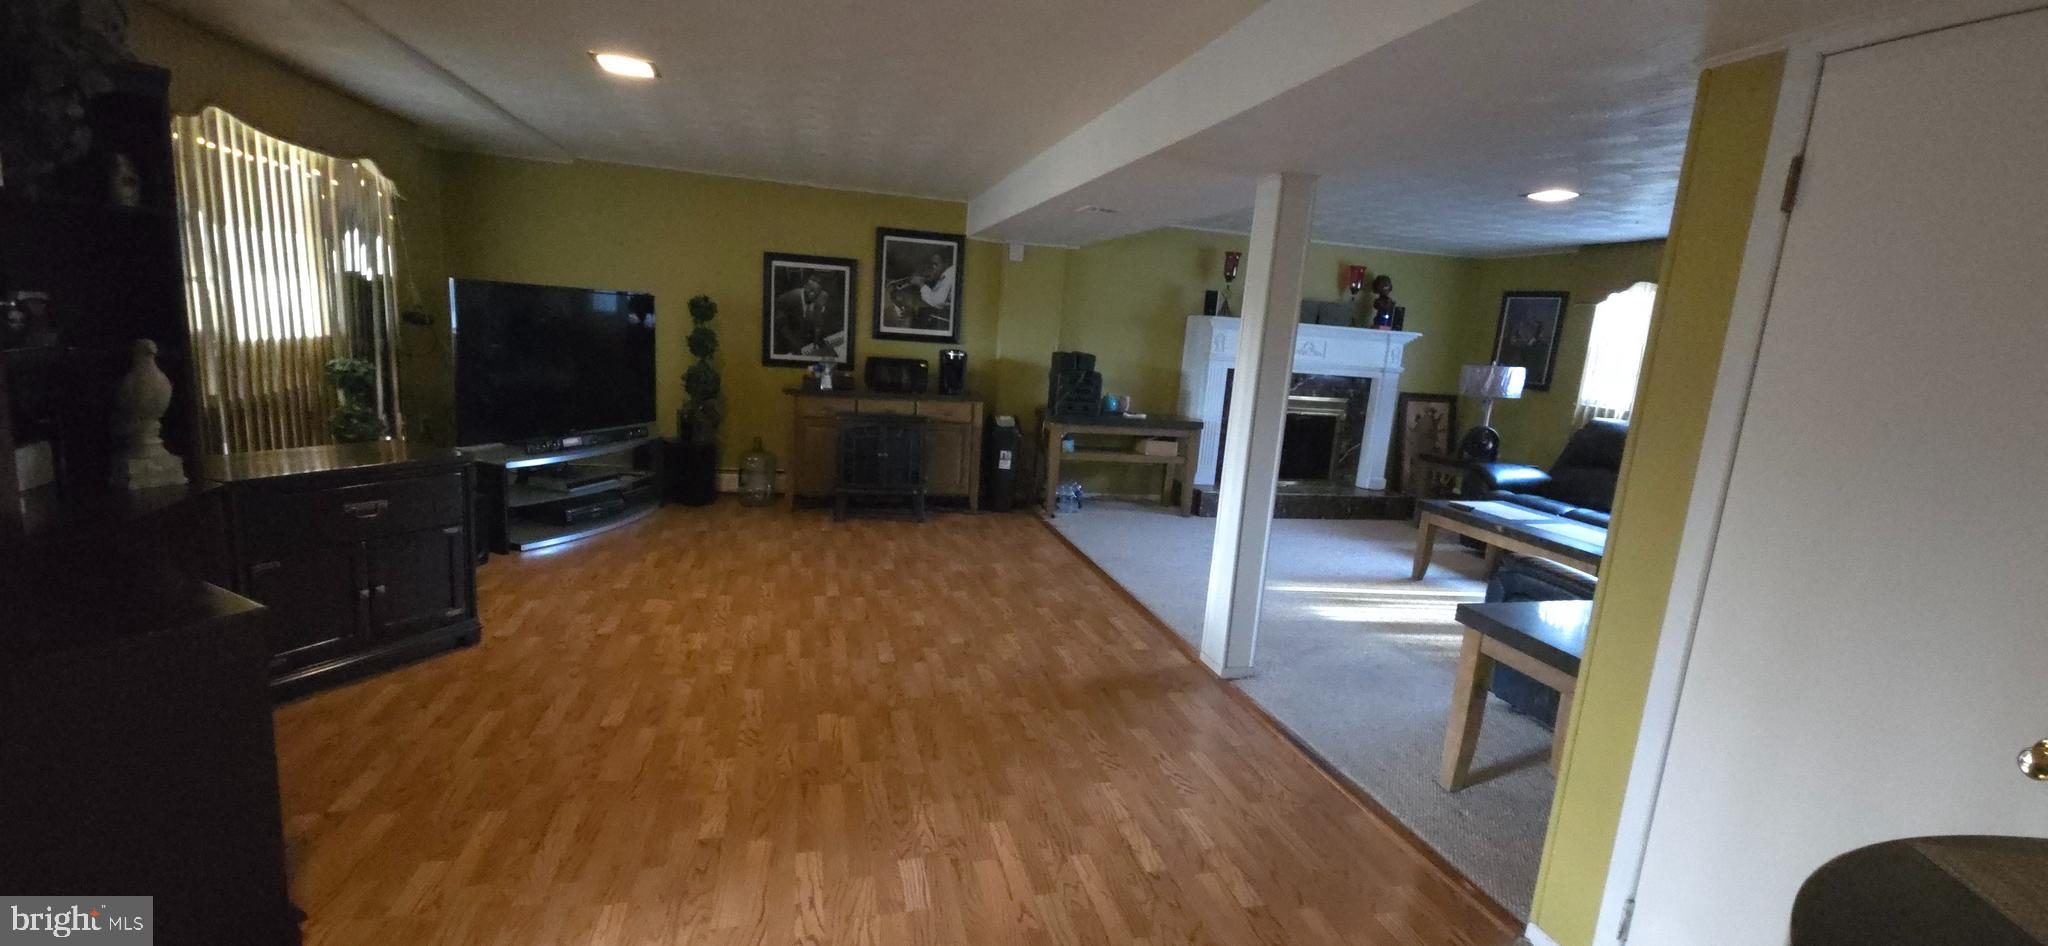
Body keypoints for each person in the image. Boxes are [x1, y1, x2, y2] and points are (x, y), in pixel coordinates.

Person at [773, 273, 836, 359]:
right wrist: (795, 344)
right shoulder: (789, 298)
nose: (813, 295)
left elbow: (818, 322)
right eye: (811, 290)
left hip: (805, 341)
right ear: (805, 287)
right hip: (787, 343)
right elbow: (780, 325)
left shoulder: (820, 298)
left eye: (817, 292)